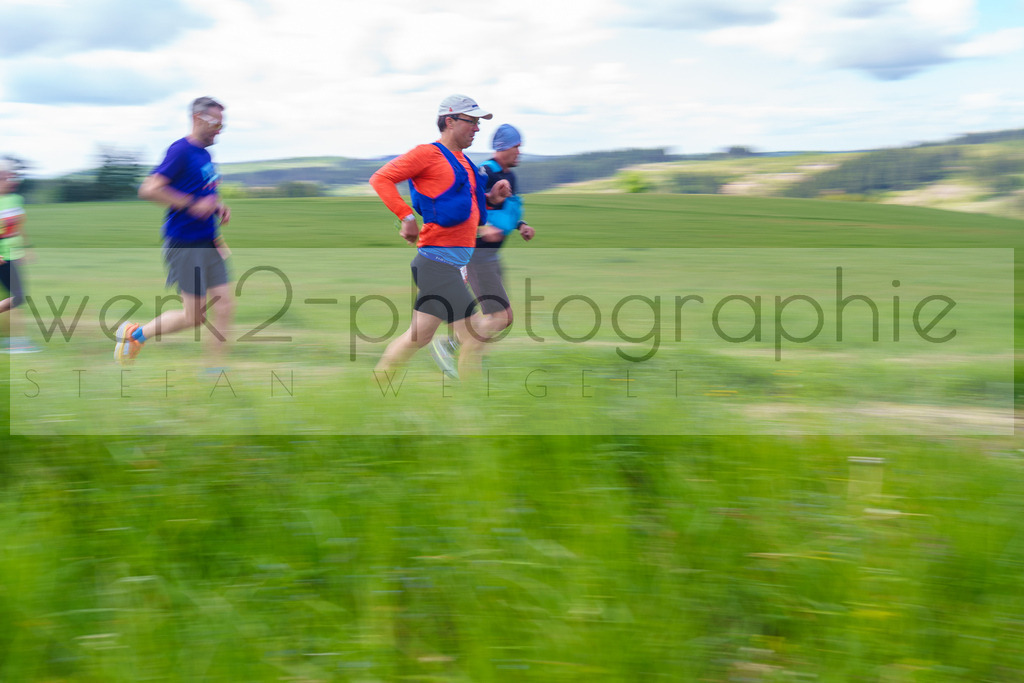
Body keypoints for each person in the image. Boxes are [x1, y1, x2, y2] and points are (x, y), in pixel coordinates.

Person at [368, 94, 509, 378]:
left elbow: (464, 201)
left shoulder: (465, 163)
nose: (477, 129)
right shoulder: (426, 154)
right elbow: (380, 178)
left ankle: (375, 388)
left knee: (417, 338)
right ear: (450, 121)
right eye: (472, 121)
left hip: (450, 265)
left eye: (478, 123)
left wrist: (491, 196)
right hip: (438, 265)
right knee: (473, 337)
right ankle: (474, 410)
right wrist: (406, 217)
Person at [114, 96, 233, 365]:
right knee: (193, 317)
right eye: (215, 123)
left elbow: (203, 194)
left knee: (225, 305)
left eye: (222, 125)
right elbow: (148, 190)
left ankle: (216, 371)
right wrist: (193, 204)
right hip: (185, 244)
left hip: (209, 242)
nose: (219, 130)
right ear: (197, 118)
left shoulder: (205, 155)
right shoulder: (180, 150)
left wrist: (217, 207)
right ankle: (137, 334)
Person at [430, 124, 535, 372]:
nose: (519, 152)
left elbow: (505, 208)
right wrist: (482, 228)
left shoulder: (509, 175)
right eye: (516, 147)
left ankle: (462, 350)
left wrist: (521, 225)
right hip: (478, 254)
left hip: (490, 256)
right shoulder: (486, 171)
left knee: (497, 315)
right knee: (502, 316)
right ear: (503, 147)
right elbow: (468, 203)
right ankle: (455, 349)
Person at [0, 157, 39, 353]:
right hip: (2, 257)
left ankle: (14, 340)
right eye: (7, 177)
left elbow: (19, 226)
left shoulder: (16, 200)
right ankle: (18, 342)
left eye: (12, 176)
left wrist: (27, 248)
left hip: (12, 255)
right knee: (17, 298)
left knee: (15, 297)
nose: (12, 180)